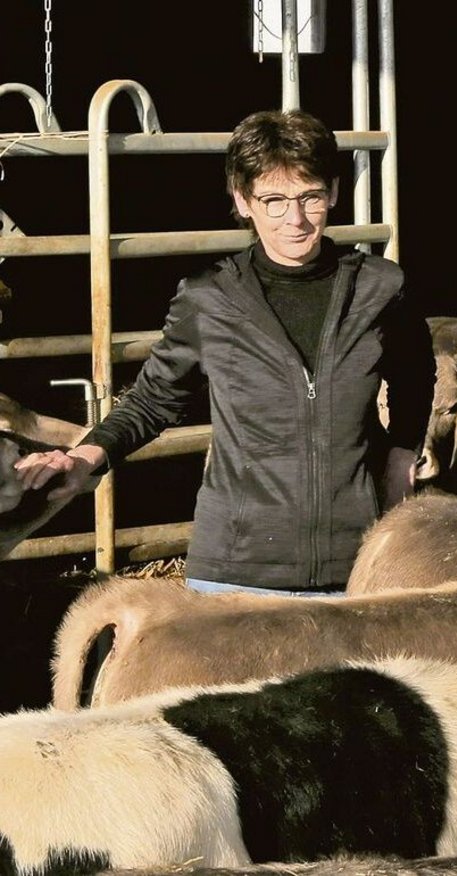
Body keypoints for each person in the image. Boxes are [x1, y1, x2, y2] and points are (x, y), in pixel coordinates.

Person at [14, 109, 433, 596]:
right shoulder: (208, 298)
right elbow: (154, 400)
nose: (294, 220)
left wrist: (401, 462)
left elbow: (414, 374)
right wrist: (86, 456)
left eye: (310, 197)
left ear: (334, 192)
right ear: (243, 200)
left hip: (358, 566)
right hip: (236, 572)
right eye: (273, 200)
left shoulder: (381, 288)